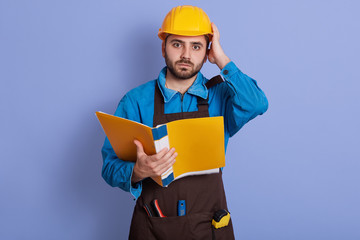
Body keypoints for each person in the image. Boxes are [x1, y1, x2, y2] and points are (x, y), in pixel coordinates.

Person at [101, 5, 268, 240]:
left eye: (196, 46)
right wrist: (137, 171)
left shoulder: (221, 95)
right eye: (177, 44)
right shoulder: (135, 101)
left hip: (209, 228)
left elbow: (257, 104)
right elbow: (109, 168)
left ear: (207, 50)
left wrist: (221, 59)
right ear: (163, 47)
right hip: (152, 226)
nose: (186, 55)